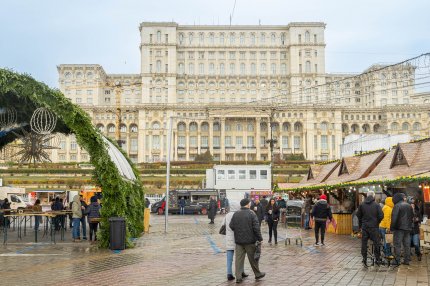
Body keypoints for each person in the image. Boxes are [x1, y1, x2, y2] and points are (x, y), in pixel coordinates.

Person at [229, 198, 265, 283]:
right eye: (249, 203)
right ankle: (257, 274)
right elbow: (256, 228)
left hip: (239, 241)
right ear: (248, 204)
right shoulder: (252, 213)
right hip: (250, 241)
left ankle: (238, 277)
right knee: (253, 259)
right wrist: (260, 238)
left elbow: (231, 226)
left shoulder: (236, 214)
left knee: (238, 260)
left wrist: (238, 230)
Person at [356, 191, 384, 267]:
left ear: (367, 196)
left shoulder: (362, 205)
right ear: (373, 196)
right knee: (376, 243)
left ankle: (364, 258)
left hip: (365, 227)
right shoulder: (376, 205)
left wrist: (362, 222)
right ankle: (377, 258)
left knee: (364, 243)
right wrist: (377, 222)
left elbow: (358, 215)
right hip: (374, 227)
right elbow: (381, 215)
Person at [391, 192, 413, 266]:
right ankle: (406, 260)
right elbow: (411, 217)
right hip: (408, 228)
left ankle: (397, 260)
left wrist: (392, 227)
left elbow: (394, 218)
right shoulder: (409, 205)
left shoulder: (397, 206)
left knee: (397, 244)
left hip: (399, 228)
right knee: (407, 245)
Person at [222, 201, 241, 281]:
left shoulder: (227, 215)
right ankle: (240, 273)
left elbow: (222, 225)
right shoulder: (238, 214)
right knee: (239, 258)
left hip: (229, 239)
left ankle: (229, 273)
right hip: (238, 239)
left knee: (229, 259)